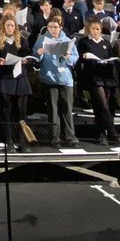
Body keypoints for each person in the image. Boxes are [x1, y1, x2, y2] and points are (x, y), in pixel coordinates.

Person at [34, 16, 78, 146]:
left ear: (60, 28)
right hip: (50, 78)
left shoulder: (67, 40)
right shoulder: (42, 39)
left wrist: (68, 57)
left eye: (56, 27)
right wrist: (40, 53)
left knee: (67, 108)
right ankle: (55, 137)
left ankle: (70, 136)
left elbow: (74, 59)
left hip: (65, 79)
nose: (53, 30)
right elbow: (36, 59)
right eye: (51, 27)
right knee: (53, 109)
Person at [75, 18, 120, 144]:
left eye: (98, 29)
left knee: (101, 106)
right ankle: (112, 132)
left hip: (106, 76)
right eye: (93, 29)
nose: (95, 31)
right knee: (103, 105)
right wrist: (85, 57)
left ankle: (101, 133)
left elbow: (112, 58)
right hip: (93, 76)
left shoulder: (106, 42)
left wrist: (108, 61)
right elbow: (80, 58)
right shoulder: (84, 41)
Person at [0, 16, 31, 152]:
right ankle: (9, 141)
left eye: (12, 25)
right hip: (6, 78)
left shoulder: (22, 40)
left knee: (21, 112)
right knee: (7, 111)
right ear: (3, 27)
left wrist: (26, 60)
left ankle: (23, 141)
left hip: (20, 77)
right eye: (8, 25)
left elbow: (28, 56)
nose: (10, 28)